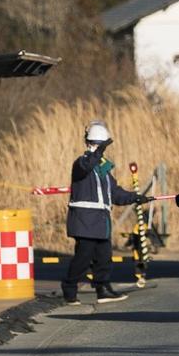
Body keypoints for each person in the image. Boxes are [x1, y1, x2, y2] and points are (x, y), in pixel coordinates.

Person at [62, 120, 150, 305]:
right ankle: (69, 288)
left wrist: (135, 197)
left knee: (104, 257)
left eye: (100, 146)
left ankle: (103, 289)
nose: (99, 149)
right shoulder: (80, 165)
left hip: (101, 221)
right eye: (98, 145)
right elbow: (86, 166)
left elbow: (115, 193)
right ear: (90, 144)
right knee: (83, 257)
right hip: (84, 221)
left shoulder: (103, 170)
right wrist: (98, 151)